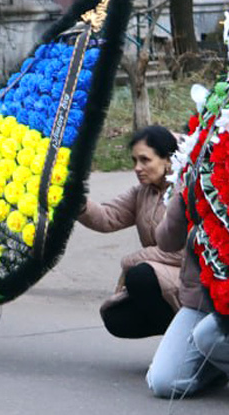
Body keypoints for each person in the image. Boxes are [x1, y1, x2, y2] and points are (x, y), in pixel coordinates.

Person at [148, 190, 229, 398]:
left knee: (209, 335)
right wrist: (182, 193)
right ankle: (219, 365)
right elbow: (166, 242)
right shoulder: (196, 172)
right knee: (163, 383)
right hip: (199, 301)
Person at [77, 126, 184, 339]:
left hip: (192, 281)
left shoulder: (186, 191)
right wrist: (77, 201)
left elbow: (181, 253)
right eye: (134, 160)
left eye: (145, 160)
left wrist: (130, 261)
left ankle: (187, 347)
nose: (137, 168)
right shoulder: (142, 192)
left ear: (169, 160)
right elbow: (108, 217)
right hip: (162, 277)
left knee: (140, 276)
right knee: (117, 318)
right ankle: (180, 347)